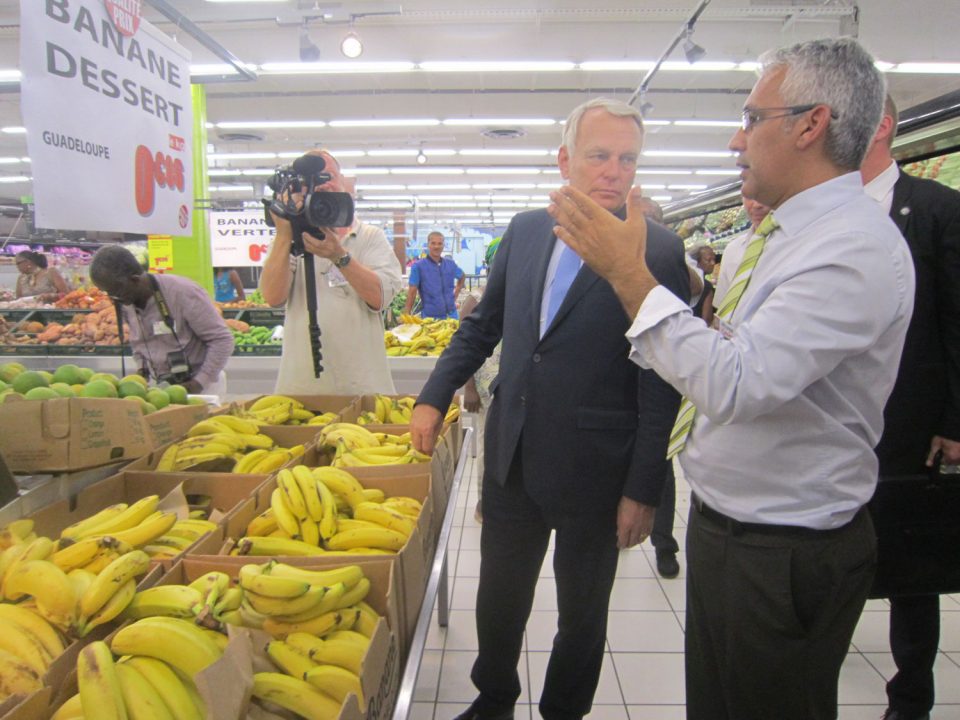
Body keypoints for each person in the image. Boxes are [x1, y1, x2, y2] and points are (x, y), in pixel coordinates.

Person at [550, 38, 915, 720]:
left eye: (752, 118)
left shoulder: (853, 250)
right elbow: (740, 352)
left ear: (810, 125)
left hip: (784, 552)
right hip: (726, 531)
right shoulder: (767, 240)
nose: (734, 140)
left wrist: (628, 275)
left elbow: (737, 384)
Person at [410, 97, 690, 720]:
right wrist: (433, 397)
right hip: (513, 453)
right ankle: (493, 700)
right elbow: (481, 328)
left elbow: (661, 383)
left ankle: (565, 710)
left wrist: (644, 487)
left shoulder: (658, 252)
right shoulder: (527, 230)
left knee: (583, 611)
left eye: (627, 158)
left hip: (598, 467)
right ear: (565, 160)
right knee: (499, 596)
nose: (614, 171)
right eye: (599, 155)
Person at [862, 95, 960, 720]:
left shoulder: (934, 211)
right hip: (829, 422)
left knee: (911, 561)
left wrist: (954, 422)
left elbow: (956, 319)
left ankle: (912, 694)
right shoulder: (807, 214)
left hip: (909, 420)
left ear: (882, 126)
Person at [259, 149, 403, 395]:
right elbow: (273, 297)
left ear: (343, 183)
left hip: (363, 387)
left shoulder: (369, 237)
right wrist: (285, 233)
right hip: (301, 389)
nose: (321, 186)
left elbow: (380, 297)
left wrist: (340, 256)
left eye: (327, 177)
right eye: (310, 181)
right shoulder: (289, 240)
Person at [89, 246, 234, 396]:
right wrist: (141, 370)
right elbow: (138, 342)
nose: (114, 299)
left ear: (135, 280)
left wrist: (199, 382)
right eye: (108, 293)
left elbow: (222, 339)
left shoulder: (183, 292)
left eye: (116, 292)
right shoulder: (126, 302)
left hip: (201, 386)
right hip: (161, 387)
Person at [461, 240, 503, 524]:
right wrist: (469, 387)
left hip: (513, 387)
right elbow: (463, 347)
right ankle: (484, 506)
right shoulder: (475, 299)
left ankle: (505, 502)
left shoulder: (521, 294)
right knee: (488, 447)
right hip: (485, 389)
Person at [713, 195, 771, 308]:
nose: (757, 205)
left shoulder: (796, 246)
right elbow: (721, 305)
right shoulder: (732, 249)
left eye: (765, 193)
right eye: (749, 196)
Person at [404, 231, 465, 319]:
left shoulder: (450, 264)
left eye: (440, 243)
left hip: (452, 316)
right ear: (428, 244)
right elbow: (412, 292)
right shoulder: (418, 267)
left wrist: (456, 293)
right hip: (430, 318)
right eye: (433, 243)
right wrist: (407, 314)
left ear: (443, 245)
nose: (436, 246)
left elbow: (462, 276)